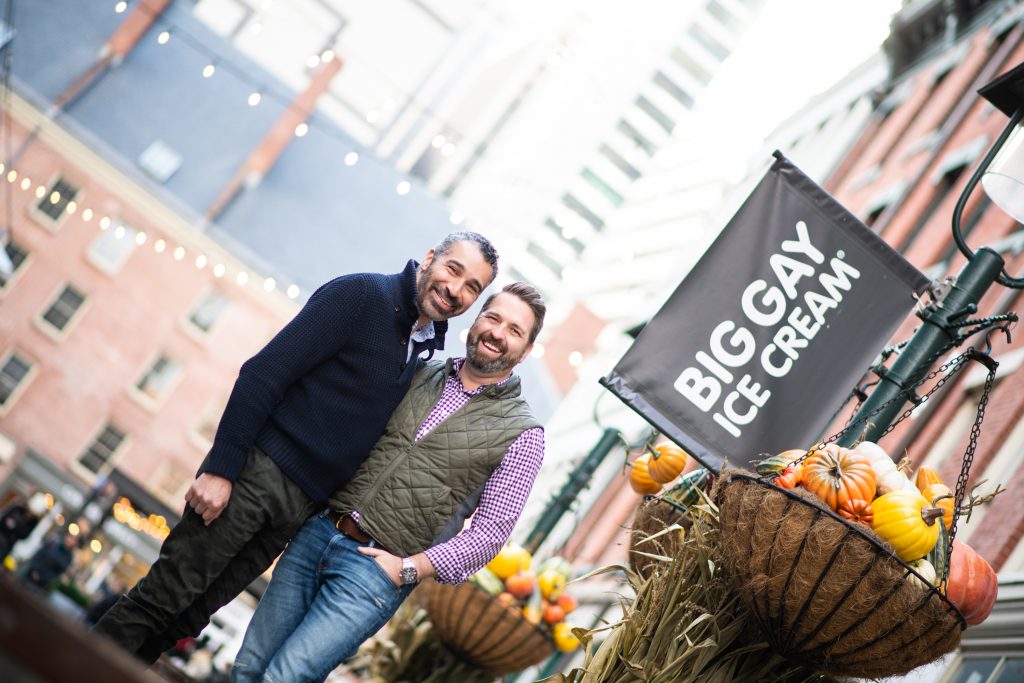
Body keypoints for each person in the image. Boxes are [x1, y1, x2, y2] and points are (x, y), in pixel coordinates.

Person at [94, 232, 499, 664]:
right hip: (254, 476)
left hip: (299, 508)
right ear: (430, 258)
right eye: (453, 270)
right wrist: (221, 470)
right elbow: (263, 373)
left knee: (187, 620)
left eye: (472, 287)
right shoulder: (361, 295)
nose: (456, 290)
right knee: (160, 600)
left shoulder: (423, 347)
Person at [231, 282, 547, 683]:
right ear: (477, 319)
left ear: (527, 350)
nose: (498, 333)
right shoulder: (417, 371)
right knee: (248, 666)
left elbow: (489, 534)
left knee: (285, 676)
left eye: (515, 330)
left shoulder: (523, 434)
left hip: (377, 570)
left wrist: (408, 570)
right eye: (493, 317)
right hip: (318, 532)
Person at [23, 523, 87, 590]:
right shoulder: (54, 543)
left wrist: (41, 577)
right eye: (70, 537)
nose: (70, 540)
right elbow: (39, 555)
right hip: (29, 573)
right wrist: (34, 569)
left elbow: (57, 573)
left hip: (40, 584)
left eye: (74, 540)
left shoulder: (68, 557)